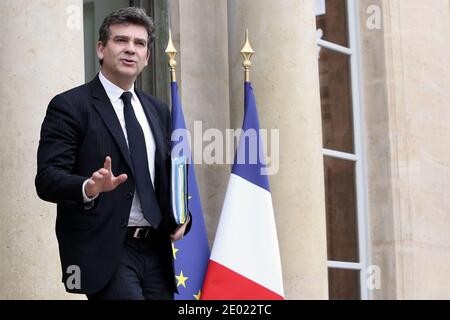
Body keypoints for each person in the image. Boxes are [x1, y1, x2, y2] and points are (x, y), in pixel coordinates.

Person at [35, 7, 190, 300]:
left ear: (146, 58)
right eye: (121, 40)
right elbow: (47, 178)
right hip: (106, 250)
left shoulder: (158, 110)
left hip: (157, 251)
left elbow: (166, 178)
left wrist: (182, 216)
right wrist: (88, 187)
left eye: (139, 43)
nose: (131, 49)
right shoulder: (70, 106)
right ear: (101, 49)